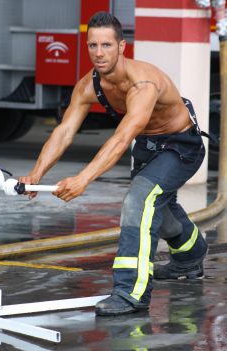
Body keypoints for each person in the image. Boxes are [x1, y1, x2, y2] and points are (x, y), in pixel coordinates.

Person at [19, 12, 208, 316]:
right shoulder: (89, 85)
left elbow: (122, 138)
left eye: (106, 45)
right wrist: (36, 173)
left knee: (138, 200)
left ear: (122, 47)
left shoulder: (143, 83)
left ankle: (130, 292)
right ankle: (191, 256)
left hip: (180, 145)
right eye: (92, 45)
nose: (99, 53)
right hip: (148, 145)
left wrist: (83, 178)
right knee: (159, 207)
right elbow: (64, 131)